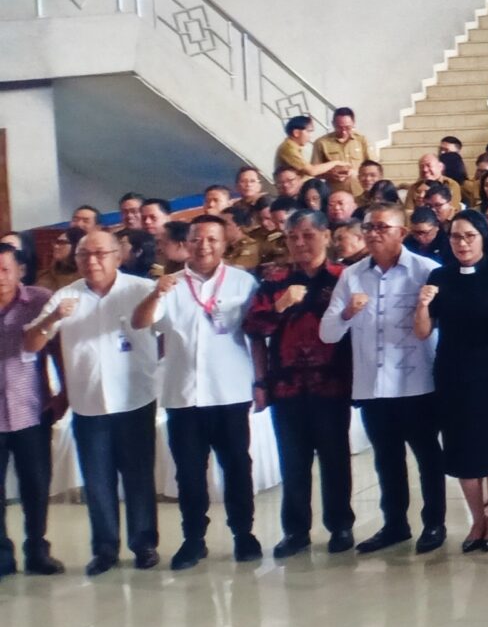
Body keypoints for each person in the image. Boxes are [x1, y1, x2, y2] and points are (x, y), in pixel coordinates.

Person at [23, 232, 160, 574]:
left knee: (139, 477)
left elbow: (165, 331)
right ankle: (105, 549)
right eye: (84, 255)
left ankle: (144, 544)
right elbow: (31, 343)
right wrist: (52, 319)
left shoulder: (141, 289)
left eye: (100, 253)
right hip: (88, 404)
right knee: (97, 481)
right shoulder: (65, 295)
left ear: (118, 256)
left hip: (134, 399)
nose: (92, 261)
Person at [321, 203, 446, 555]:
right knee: (386, 459)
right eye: (368, 227)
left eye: (381, 227)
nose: (373, 234)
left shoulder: (426, 270)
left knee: (428, 457)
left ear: (401, 233)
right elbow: (327, 333)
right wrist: (347, 312)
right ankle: (395, 524)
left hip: (417, 384)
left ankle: (434, 522)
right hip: (373, 386)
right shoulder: (352, 275)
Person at [136, 216, 261, 568]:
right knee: (189, 472)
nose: (204, 246)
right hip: (184, 395)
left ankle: (244, 534)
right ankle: (193, 539)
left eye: (212, 239)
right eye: (196, 239)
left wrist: (261, 382)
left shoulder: (243, 282)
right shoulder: (170, 284)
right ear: (186, 244)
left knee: (237, 466)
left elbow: (256, 333)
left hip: (229, 392)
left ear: (224, 243)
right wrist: (156, 294)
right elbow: (141, 323)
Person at [244, 212, 356, 556]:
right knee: (293, 462)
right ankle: (295, 531)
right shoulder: (274, 281)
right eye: (292, 237)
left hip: (332, 384)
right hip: (287, 386)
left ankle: (340, 526)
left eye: (307, 235)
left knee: (335, 459)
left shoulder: (343, 278)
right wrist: (280, 305)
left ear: (326, 236)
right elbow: (254, 328)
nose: (300, 243)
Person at [418, 210, 488, 553]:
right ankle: (477, 519)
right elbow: (422, 331)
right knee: (461, 449)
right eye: (455, 237)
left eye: (469, 236)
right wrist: (422, 305)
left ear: (483, 238)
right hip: (452, 373)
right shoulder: (439, 276)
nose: (462, 243)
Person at [0, 236, 66, 575]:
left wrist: (63, 394)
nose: (0, 277)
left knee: (36, 485)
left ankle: (37, 548)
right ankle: (2, 554)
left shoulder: (40, 300)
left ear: (20, 271)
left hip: (32, 409)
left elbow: (58, 350)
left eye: (4, 270)